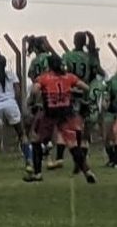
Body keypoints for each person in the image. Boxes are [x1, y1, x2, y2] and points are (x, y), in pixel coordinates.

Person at [25, 54, 96, 183]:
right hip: (66, 114)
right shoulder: (69, 77)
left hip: (50, 114)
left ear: (49, 65)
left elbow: (35, 91)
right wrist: (72, 93)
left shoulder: (44, 78)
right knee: (73, 145)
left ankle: (38, 173)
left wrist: (34, 99)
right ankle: (88, 172)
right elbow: (85, 87)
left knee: (36, 140)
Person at [55, 31, 101, 171]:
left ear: (74, 41)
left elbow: (62, 72)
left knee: (66, 126)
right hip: (85, 93)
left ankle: (61, 158)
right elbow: (95, 71)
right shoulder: (88, 57)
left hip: (71, 94)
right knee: (83, 127)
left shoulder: (67, 56)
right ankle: (80, 160)